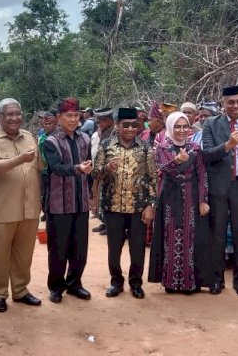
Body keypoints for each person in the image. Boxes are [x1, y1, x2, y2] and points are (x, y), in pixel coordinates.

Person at [0, 98, 42, 313]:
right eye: (9, 114)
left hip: (28, 208)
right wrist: (19, 159)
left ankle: (21, 291)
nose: (15, 118)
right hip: (0, 210)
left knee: (24, 254)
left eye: (18, 113)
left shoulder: (30, 137)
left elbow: (39, 167)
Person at [202, 85, 238, 297]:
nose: (235, 106)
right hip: (218, 187)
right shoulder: (210, 124)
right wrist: (228, 145)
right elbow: (207, 155)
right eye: (231, 102)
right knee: (217, 235)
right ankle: (217, 280)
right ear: (223, 103)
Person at [92, 107, 157, 299]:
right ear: (118, 126)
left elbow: (153, 178)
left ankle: (136, 283)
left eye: (134, 125)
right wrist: (107, 168)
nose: (130, 129)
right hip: (113, 206)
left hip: (138, 207)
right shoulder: (107, 145)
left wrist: (150, 205)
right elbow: (95, 174)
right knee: (115, 247)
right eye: (125, 125)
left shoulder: (145, 147)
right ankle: (116, 282)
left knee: (137, 248)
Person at [149, 111, 208, 293]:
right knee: (170, 238)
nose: (181, 130)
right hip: (169, 198)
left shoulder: (195, 148)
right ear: (170, 127)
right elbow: (161, 170)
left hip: (191, 196)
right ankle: (171, 282)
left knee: (191, 238)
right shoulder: (162, 147)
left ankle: (190, 282)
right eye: (177, 126)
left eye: (185, 126)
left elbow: (202, 174)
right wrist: (176, 161)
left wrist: (202, 200)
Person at [42, 97, 93, 304]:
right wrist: (78, 169)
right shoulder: (50, 142)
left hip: (80, 201)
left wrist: (90, 190)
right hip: (59, 203)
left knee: (79, 247)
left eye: (75, 115)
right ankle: (56, 286)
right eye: (68, 116)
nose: (72, 120)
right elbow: (56, 168)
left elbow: (89, 167)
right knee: (58, 248)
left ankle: (75, 284)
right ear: (59, 117)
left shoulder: (85, 139)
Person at [90, 108, 115, 236]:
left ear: (109, 121)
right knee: (102, 197)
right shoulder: (104, 132)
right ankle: (104, 222)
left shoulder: (114, 132)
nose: (99, 124)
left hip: (111, 170)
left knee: (109, 199)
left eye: (101, 122)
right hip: (102, 169)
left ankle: (110, 225)